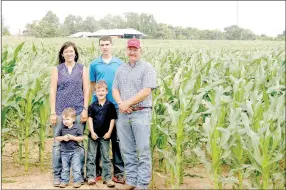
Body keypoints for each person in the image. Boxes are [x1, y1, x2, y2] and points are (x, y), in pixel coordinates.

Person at [112, 38, 157, 190]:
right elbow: (115, 89)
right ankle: (131, 181)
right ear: (126, 50)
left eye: (135, 49)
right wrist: (121, 104)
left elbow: (146, 91)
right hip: (123, 114)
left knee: (143, 150)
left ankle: (142, 184)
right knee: (127, 149)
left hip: (141, 113)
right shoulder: (121, 69)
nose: (132, 52)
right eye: (130, 49)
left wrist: (128, 103)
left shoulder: (147, 68)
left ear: (140, 51)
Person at [50, 41, 89, 187]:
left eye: (71, 51)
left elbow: (86, 90)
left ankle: (79, 176)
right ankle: (57, 176)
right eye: (66, 51)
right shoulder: (57, 69)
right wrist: (53, 112)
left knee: (78, 143)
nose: (69, 53)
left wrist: (85, 109)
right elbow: (53, 91)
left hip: (78, 111)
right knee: (58, 144)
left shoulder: (82, 69)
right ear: (62, 54)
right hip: (60, 111)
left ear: (75, 53)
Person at [89, 36, 125, 184]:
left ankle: (118, 172)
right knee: (97, 138)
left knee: (117, 141)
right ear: (99, 46)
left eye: (107, 44)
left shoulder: (119, 63)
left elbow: (123, 83)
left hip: (116, 107)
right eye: (102, 45)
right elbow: (92, 84)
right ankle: (97, 171)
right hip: (98, 108)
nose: (105, 47)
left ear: (111, 46)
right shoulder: (94, 64)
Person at [86, 80, 116, 188]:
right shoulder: (92, 106)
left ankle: (107, 178)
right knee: (91, 156)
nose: (101, 92)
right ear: (95, 93)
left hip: (105, 135)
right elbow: (90, 119)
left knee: (106, 156)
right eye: (98, 90)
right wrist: (92, 132)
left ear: (107, 91)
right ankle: (90, 176)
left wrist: (109, 132)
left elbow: (112, 120)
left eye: (103, 90)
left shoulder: (110, 105)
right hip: (94, 135)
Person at [55, 108, 84, 188]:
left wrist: (73, 138)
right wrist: (63, 138)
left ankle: (77, 181)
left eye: (67, 119)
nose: (65, 121)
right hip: (64, 152)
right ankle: (64, 181)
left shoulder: (77, 127)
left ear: (73, 119)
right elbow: (57, 138)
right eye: (64, 119)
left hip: (75, 151)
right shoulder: (62, 128)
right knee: (65, 168)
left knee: (76, 167)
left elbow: (81, 138)